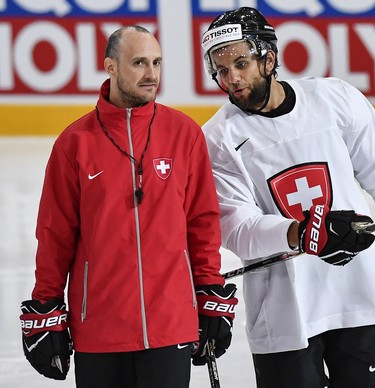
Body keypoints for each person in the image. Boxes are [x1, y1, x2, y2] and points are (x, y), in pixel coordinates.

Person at [200, 7, 375, 388]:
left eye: (241, 63)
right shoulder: (217, 139)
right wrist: (302, 232)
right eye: (222, 70)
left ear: (269, 58)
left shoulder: (334, 98)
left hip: (357, 297)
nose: (232, 78)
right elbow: (235, 228)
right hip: (283, 312)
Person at [19, 25, 238, 388]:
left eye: (156, 62)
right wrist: (47, 304)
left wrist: (209, 287)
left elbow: (202, 222)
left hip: (170, 327)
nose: (151, 74)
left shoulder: (184, 134)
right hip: (99, 330)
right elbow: (55, 233)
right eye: (139, 63)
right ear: (110, 66)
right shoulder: (75, 143)